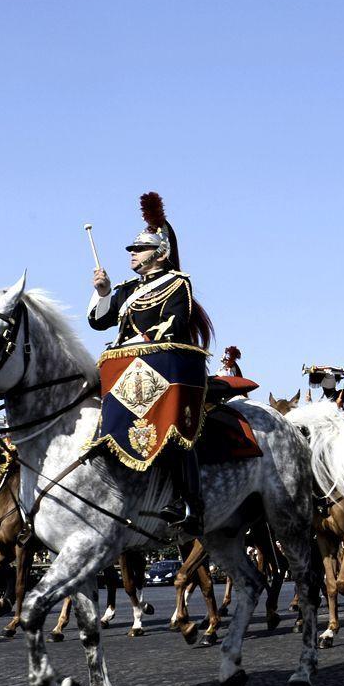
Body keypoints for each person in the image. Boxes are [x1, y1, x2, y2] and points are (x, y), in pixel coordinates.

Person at [85, 192, 214, 535]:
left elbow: (175, 322)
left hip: (162, 367)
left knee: (173, 429)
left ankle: (188, 502)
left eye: (138, 249)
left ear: (159, 254)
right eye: (130, 250)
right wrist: (102, 291)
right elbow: (99, 322)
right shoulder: (127, 290)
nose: (131, 254)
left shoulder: (177, 283)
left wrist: (138, 343)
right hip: (128, 368)